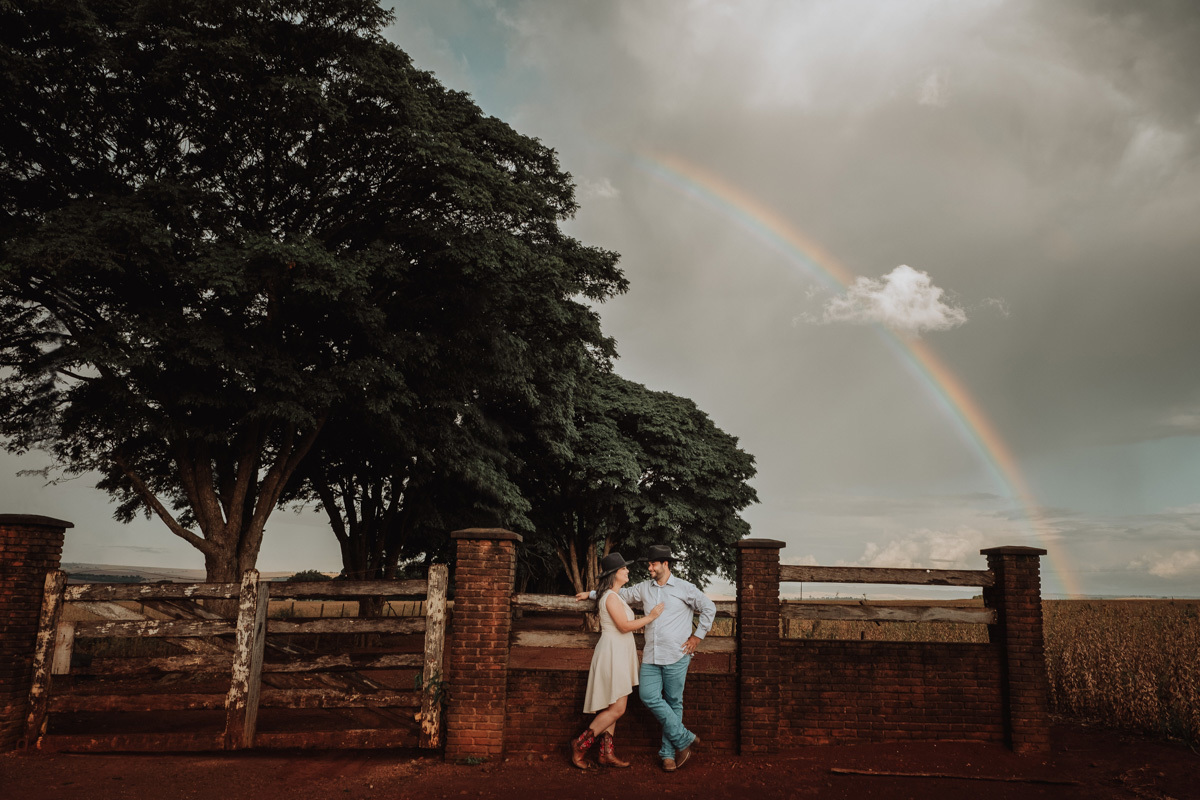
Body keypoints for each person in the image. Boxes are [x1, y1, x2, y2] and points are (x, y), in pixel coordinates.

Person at [577, 544, 716, 772]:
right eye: (649, 564)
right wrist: (592, 594)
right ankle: (684, 738)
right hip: (651, 656)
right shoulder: (643, 588)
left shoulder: (685, 588)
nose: (649, 568)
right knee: (647, 695)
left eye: (652, 564)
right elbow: (616, 592)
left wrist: (697, 637)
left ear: (665, 564)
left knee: (673, 703)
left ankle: (668, 754)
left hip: (677, 655)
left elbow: (709, 608)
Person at [568, 552, 664, 769]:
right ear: (614, 575)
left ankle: (606, 754)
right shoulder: (610, 597)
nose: (627, 571)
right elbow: (623, 626)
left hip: (619, 653)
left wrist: (589, 594)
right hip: (612, 654)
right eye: (624, 569)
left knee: (614, 705)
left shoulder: (615, 595)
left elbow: (609, 604)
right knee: (618, 708)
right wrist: (650, 617)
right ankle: (580, 744)